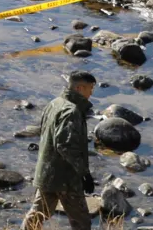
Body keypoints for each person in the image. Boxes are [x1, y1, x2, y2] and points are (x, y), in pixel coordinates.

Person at [23, 71, 96, 230]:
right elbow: (65, 145)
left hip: (47, 172)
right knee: (81, 221)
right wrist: (84, 173)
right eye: (90, 88)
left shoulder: (54, 103)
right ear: (79, 88)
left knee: (38, 214)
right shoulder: (71, 111)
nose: (91, 93)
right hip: (66, 178)